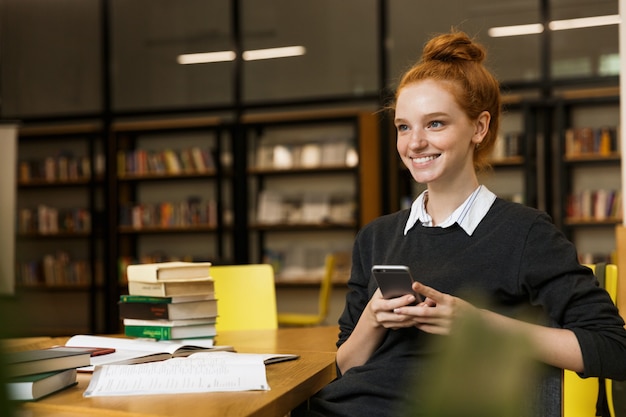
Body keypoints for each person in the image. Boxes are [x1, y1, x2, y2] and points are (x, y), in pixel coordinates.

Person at [293, 30, 626, 417]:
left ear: (479, 128)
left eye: (435, 124)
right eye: (403, 127)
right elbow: (346, 367)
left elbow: (613, 349)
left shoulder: (525, 232)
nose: (414, 142)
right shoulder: (376, 237)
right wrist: (373, 318)